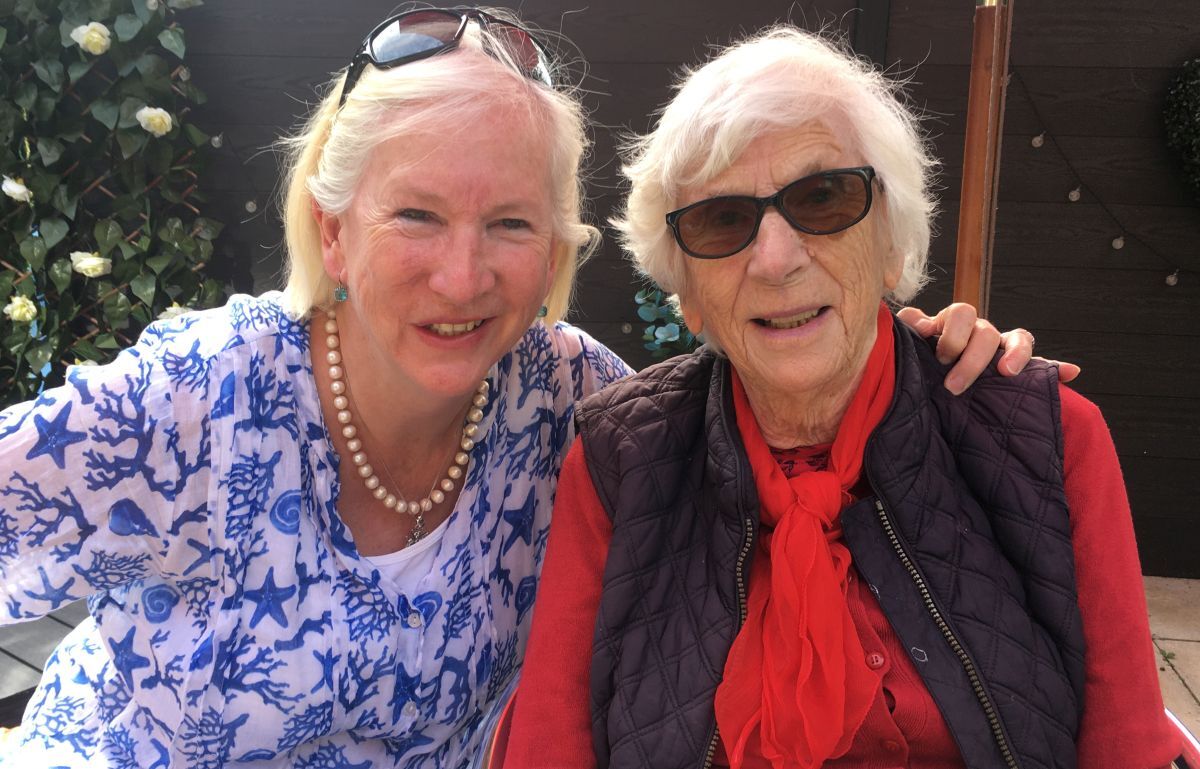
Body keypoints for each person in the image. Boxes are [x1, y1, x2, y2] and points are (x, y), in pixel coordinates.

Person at [0, 9, 1044, 769]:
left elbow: (770, 428)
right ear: (333, 231)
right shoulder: (196, 401)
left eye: (508, 223)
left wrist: (913, 356)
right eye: (417, 215)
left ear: (554, 251)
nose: (464, 278)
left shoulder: (571, 399)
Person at [504, 25, 1180, 769]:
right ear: (687, 292)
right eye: (722, 219)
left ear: (891, 240)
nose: (776, 259)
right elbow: (547, 746)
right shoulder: (620, 461)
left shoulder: (1050, 439)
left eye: (823, 197)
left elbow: (1127, 747)